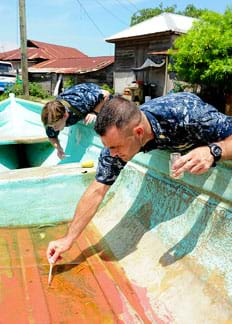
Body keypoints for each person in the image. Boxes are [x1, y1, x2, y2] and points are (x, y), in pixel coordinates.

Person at [47, 92, 232, 263]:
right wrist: (68, 239)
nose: (112, 154)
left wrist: (214, 151)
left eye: (116, 147)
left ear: (138, 133)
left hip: (188, 128)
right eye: (108, 147)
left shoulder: (188, 114)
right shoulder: (119, 140)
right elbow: (97, 190)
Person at [41, 82, 111, 159]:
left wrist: (94, 112)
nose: (53, 128)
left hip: (92, 94)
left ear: (65, 116)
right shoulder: (52, 119)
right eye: (51, 126)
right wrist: (59, 149)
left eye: (55, 126)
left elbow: (106, 94)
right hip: (73, 97)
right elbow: (52, 136)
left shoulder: (81, 103)